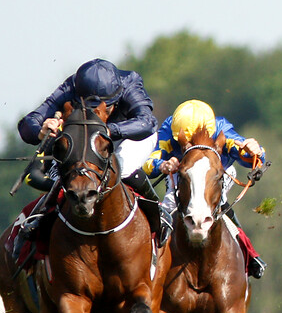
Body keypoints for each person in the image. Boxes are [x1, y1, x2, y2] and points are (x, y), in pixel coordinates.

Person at [14, 58, 171, 256]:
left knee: (120, 167)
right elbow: (27, 124)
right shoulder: (70, 86)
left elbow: (147, 122)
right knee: (68, 177)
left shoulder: (130, 82)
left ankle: (158, 213)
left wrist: (107, 129)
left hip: (129, 136)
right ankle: (40, 218)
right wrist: (41, 130)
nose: (99, 112)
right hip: (86, 139)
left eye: (108, 106)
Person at [143, 99, 268, 278]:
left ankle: (250, 254)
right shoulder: (170, 128)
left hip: (216, 175)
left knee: (220, 203)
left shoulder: (220, 127)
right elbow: (148, 162)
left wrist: (255, 151)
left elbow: (246, 153)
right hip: (182, 174)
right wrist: (162, 165)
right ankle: (150, 261)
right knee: (169, 204)